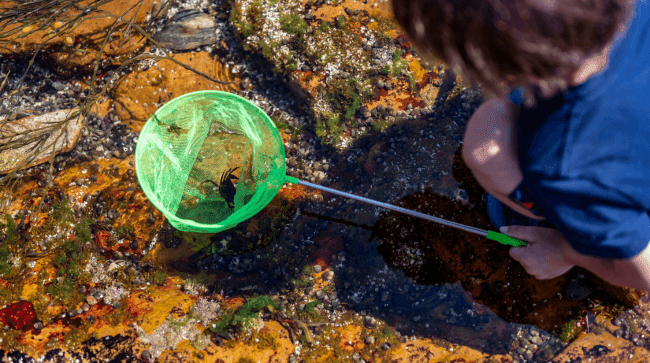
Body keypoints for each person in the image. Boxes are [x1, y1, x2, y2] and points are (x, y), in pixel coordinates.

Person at [392, 0, 650, 291]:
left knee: (487, 141)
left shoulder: (563, 163)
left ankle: (564, 220)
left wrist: (566, 251)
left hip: (624, 203)